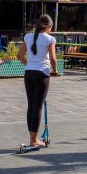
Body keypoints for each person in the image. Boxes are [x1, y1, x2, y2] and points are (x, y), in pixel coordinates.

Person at [17, 14, 58, 148]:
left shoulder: (28, 37)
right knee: (38, 107)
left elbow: (19, 55)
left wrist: (30, 64)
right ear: (49, 26)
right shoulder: (50, 39)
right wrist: (55, 70)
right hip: (42, 74)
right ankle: (33, 140)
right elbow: (52, 59)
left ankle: (32, 137)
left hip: (29, 73)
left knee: (31, 106)